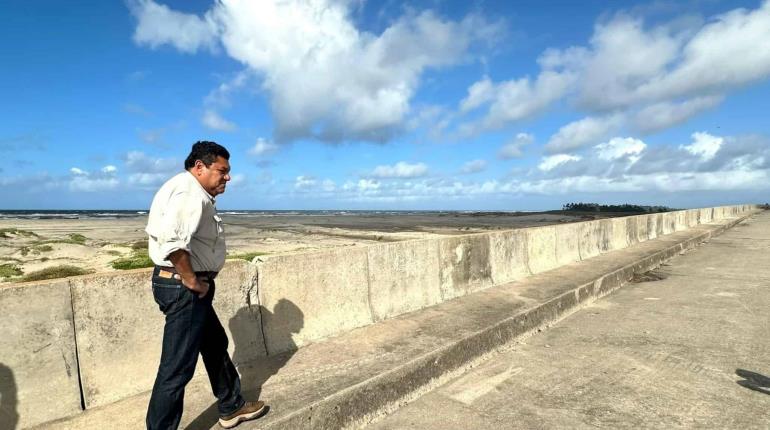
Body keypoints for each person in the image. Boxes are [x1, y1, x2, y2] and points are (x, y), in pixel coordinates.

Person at [145, 141, 266, 429]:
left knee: (214, 345)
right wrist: (191, 280)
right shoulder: (188, 192)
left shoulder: (193, 190)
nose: (228, 177)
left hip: (188, 286)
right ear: (200, 167)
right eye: (222, 171)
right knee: (176, 368)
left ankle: (231, 406)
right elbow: (173, 242)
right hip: (184, 287)